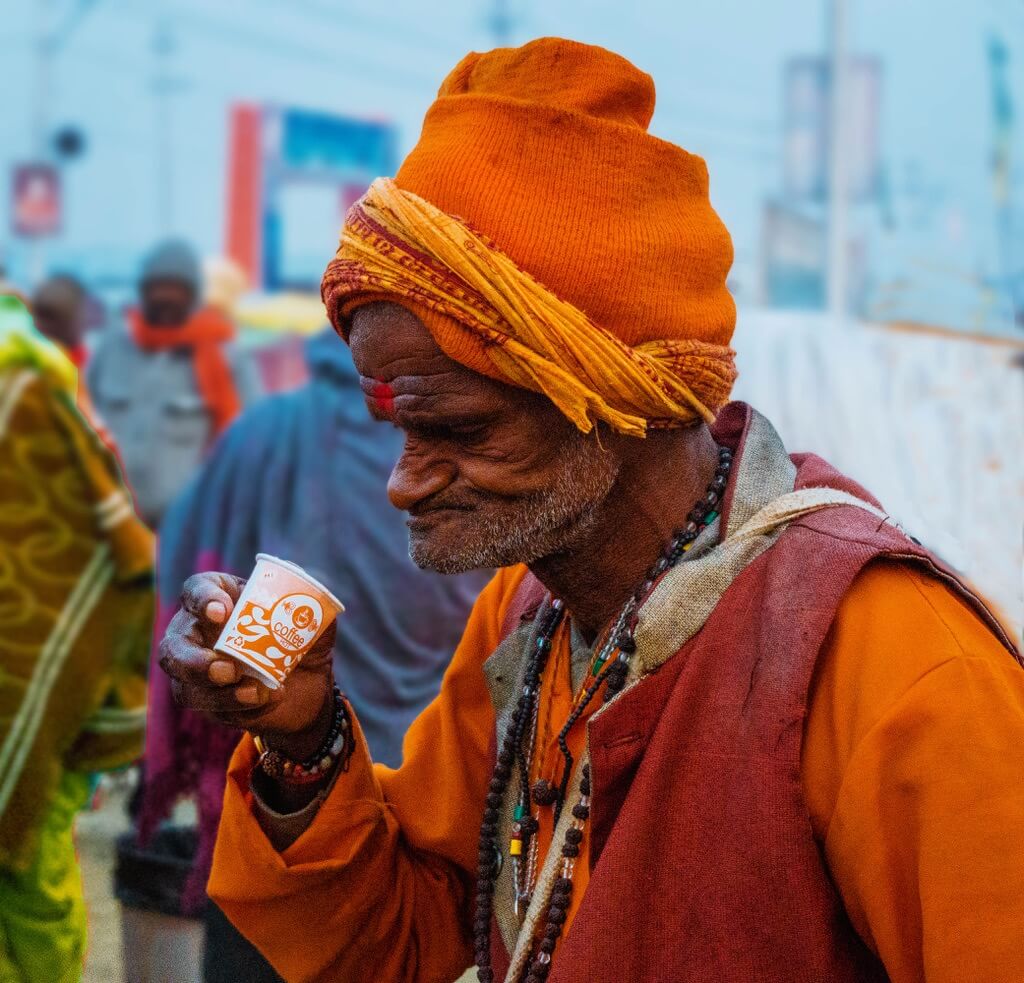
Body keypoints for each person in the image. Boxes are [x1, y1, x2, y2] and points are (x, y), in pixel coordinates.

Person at [158, 39, 1024, 983]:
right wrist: (304, 742)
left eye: (458, 428)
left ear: (616, 400)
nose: (404, 482)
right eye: (401, 428)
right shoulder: (528, 616)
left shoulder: (897, 660)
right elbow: (402, 937)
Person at [138, 328, 489, 982]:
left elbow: (182, 570)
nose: (403, 484)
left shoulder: (265, 435)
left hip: (294, 817)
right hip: (380, 801)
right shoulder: (484, 452)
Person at [0, 294, 153, 983]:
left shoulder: (24, 394)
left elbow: (79, 577)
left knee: (30, 874)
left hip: (37, 698)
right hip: (47, 694)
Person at [88, 239, 261, 527]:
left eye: (175, 289)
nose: (164, 298)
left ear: (193, 295)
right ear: (142, 291)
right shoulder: (112, 349)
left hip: (188, 529)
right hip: (110, 526)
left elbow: (252, 445)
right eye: (156, 288)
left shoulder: (227, 358)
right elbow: (81, 419)